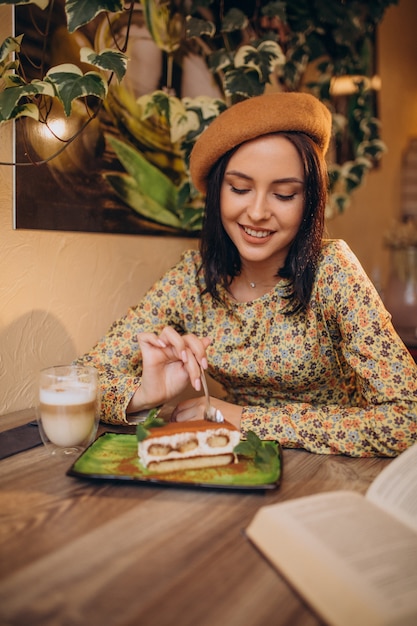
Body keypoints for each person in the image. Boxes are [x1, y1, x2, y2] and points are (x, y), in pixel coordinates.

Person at [77, 91, 417, 457]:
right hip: (242, 467)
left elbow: (406, 420)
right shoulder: (190, 280)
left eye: (284, 194)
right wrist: (143, 393)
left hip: (336, 473)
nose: (256, 212)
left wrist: (244, 418)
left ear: (310, 202)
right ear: (217, 192)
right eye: (239, 188)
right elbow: (81, 380)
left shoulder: (333, 271)